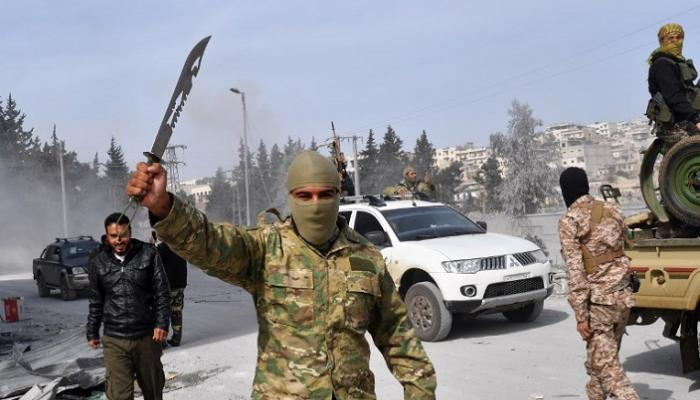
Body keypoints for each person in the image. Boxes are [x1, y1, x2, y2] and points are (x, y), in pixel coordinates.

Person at [126, 150, 436, 399]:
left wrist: (420, 392)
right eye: (305, 196)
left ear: (339, 194)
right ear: (291, 197)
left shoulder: (365, 256)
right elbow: (209, 242)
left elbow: (398, 336)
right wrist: (164, 206)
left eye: (325, 194)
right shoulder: (266, 249)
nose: (315, 205)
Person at [558, 167, 639, 400]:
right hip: (623, 296)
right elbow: (626, 244)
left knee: (609, 369)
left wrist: (581, 315)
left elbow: (575, 271)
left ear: (566, 191)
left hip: (600, 304)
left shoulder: (570, 220)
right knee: (599, 362)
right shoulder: (612, 209)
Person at [87, 213, 171, 400]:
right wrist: (92, 331)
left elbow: (162, 292)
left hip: (147, 337)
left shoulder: (148, 253)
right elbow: (95, 299)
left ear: (130, 232)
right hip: (115, 339)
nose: (119, 240)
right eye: (114, 236)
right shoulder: (98, 261)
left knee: (154, 392)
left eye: (123, 235)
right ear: (107, 236)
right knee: (119, 395)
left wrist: (162, 324)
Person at [647, 23, 700, 141]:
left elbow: (690, 94)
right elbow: (673, 96)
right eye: (671, 38)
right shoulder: (662, 64)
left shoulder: (677, 63)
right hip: (674, 125)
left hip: (686, 119)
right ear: (662, 41)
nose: (676, 41)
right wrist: (696, 120)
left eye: (679, 37)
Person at [152, 231, 188, 347]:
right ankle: (176, 339)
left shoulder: (161, 248)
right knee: (176, 311)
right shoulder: (180, 247)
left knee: (163, 313)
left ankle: (162, 342)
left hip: (166, 286)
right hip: (180, 284)